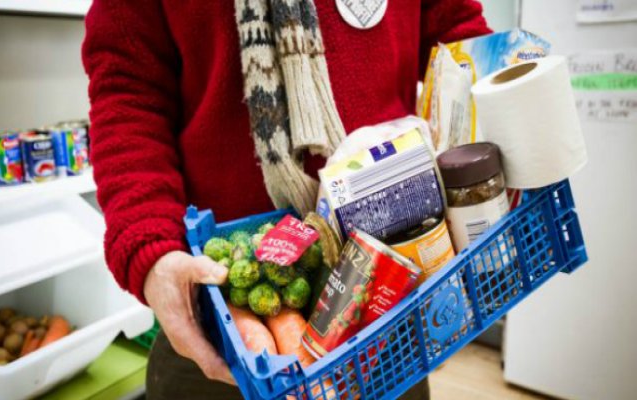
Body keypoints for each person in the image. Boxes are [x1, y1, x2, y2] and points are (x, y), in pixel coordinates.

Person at [82, 1, 490, 398]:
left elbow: (457, 37)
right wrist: (150, 253)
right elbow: (128, 91)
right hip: (224, 319)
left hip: (388, 300)